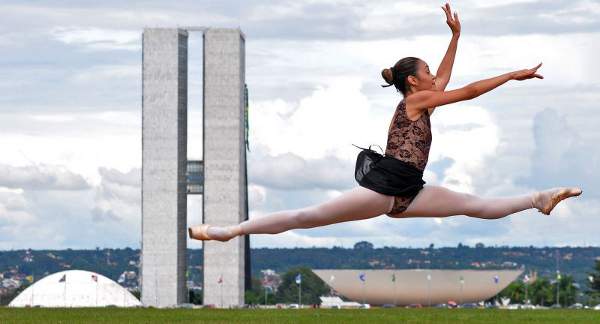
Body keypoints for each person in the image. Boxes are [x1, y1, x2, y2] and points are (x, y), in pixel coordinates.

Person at [188, 3, 582, 242]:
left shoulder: (424, 99)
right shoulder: (418, 100)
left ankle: (538, 199)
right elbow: (467, 91)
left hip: (409, 189)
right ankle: (228, 231)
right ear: (413, 81)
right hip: (387, 185)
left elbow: (444, 81)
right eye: (426, 71)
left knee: (474, 207)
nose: (433, 76)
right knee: (305, 217)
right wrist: (512, 75)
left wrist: (456, 37)